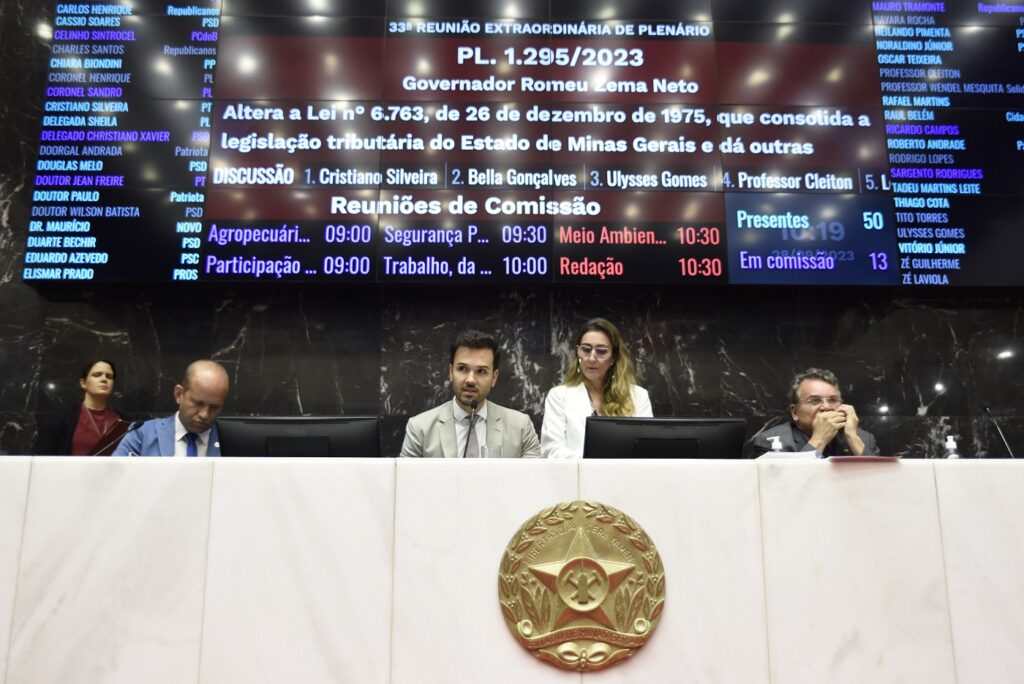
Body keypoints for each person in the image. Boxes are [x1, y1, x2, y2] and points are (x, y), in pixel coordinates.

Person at [400, 330, 541, 458]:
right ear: (451, 372)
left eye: (481, 371)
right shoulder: (419, 428)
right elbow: (406, 483)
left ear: (494, 377)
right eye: (462, 369)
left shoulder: (521, 428)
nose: (470, 380)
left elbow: (532, 481)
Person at [541, 318, 653, 459]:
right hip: (575, 478)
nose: (591, 358)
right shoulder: (559, 396)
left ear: (614, 357)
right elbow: (551, 450)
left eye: (601, 351)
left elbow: (646, 450)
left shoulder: (638, 396)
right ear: (578, 353)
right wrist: (594, 459)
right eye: (586, 349)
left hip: (625, 478)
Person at [751, 368, 880, 457]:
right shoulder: (771, 441)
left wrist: (852, 437)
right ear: (795, 412)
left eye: (833, 400)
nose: (826, 407)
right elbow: (781, 487)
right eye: (815, 400)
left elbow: (880, 483)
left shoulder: (864, 439)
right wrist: (819, 439)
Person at [113, 360, 229, 457]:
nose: (205, 414)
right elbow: (114, 478)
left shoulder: (233, 442)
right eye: (198, 403)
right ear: (179, 394)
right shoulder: (142, 434)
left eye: (214, 407)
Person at [34, 359, 128, 455]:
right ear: (83, 383)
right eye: (97, 375)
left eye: (109, 376)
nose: (104, 379)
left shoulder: (124, 421)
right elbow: (43, 458)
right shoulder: (60, 419)